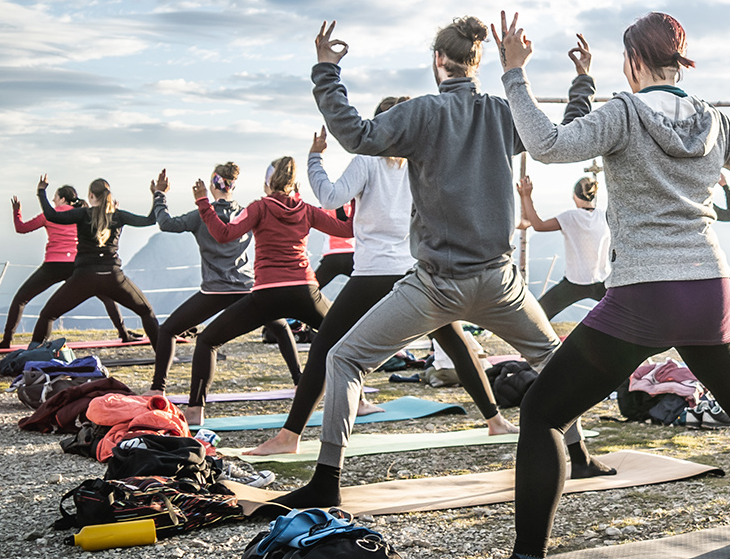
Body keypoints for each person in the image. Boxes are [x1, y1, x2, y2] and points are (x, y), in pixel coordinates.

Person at [462, 11, 730, 559]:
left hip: (645, 294)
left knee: (545, 412)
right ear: (680, 62)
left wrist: (514, 73)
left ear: (634, 62)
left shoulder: (624, 113)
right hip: (708, 288)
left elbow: (546, 146)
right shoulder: (715, 122)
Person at [265, 15, 576, 512]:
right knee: (553, 359)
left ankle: (326, 480)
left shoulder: (423, 113)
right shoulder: (501, 112)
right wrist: (579, 81)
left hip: (437, 285)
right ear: (477, 62)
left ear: (438, 61)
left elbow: (355, 134)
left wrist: (326, 71)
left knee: (344, 359)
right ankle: (578, 453)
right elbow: (560, 131)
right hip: (500, 282)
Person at [244, 109, 518, 456]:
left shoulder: (368, 160)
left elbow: (330, 198)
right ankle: (495, 421)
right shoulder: (420, 161)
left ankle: (289, 437)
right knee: (454, 339)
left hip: (375, 272)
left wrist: (315, 158)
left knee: (326, 346)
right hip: (417, 270)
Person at [178, 156, 346, 423]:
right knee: (344, 338)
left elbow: (224, 234)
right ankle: (357, 402)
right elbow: (346, 229)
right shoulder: (306, 209)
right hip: (305, 291)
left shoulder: (259, 207)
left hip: (267, 293)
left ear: (267, 183)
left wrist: (202, 203)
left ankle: (195, 410)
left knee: (208, 340)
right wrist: (351, 202)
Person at [147, 163, 302, 396]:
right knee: (280, 327)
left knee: (168, 330)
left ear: (213, 184)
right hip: (248, 288)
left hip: (215, 291)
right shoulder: (249, 212)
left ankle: (158, 390)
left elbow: (166, 224)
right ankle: (299, 380)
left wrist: (160, 195)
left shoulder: (201, 215)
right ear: (233, 185)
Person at [0, 184, 139, 348]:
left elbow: (21, 228)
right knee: (107, 297)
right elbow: (102, 225)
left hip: (53, 266)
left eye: (55, 196)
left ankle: (6, 340)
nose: (54, 200)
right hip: (77, 266)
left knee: (21, 299)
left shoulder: (49, 216)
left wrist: (16, 211)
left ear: (62, 199)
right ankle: (124, 334)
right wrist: (112, 211)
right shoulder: (83, 214)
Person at [29, 178, 162, 346]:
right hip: (113, 277)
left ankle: (32, 359)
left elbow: (52, 215)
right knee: (146, 311)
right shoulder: (118, 215)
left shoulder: (83, 214)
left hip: (84, 277)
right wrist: (157, 194)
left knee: (48, 315)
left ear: (91, 195)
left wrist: (41, 191)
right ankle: (163, 360)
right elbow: (150, 220)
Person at [519, 173, 612, 319]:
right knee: (629, 315)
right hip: (602, 282)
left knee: (538, 316)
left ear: (575, 196)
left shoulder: (570, 217)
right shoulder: (605, 216)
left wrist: (526, 196)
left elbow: (538, 225)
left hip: (574, 284)